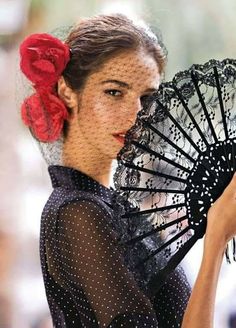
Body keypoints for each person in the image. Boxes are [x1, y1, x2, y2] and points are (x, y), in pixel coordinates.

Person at [19, 14, 236, 328]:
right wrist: (215, 240)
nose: (136, 114)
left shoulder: (112, 208)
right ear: (68, 91)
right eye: (114, 92)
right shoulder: (78, 212)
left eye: (146, 98)